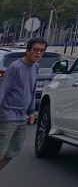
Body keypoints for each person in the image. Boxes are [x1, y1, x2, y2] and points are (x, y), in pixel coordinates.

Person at [0, 37, 46, 172]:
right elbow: (3, 90)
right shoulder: (15, 67)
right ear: (28, 50)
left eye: (41, 51)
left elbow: (31, 90)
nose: (38, 53)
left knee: (11, 152)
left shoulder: (35, 67)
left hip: (22, 117)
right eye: (36, 50)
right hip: (7, 116)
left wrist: (31, 111)